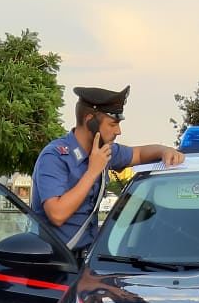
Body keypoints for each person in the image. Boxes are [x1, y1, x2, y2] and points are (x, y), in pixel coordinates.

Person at [31, 86, 185, 252]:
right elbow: (57, 214)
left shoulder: (103, 151)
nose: (118, 131)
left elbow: (138, 154)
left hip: (88, 257)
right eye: (112, 124)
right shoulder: (55, 156)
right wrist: (92, 172)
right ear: (90, 121)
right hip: (54, 260)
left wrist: (165, 151)